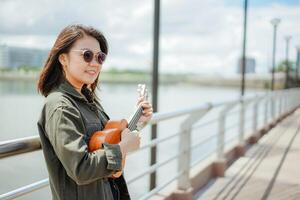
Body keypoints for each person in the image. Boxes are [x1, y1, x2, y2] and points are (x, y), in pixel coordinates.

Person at [37, 24, 153, 200]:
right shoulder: (60, 107)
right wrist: (123, 148)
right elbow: (81, 169)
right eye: (87, 55)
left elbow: (107, 139)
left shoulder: (88, 100)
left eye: (100, 57)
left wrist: (137, 122)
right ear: (63, 58)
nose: (94, 63)